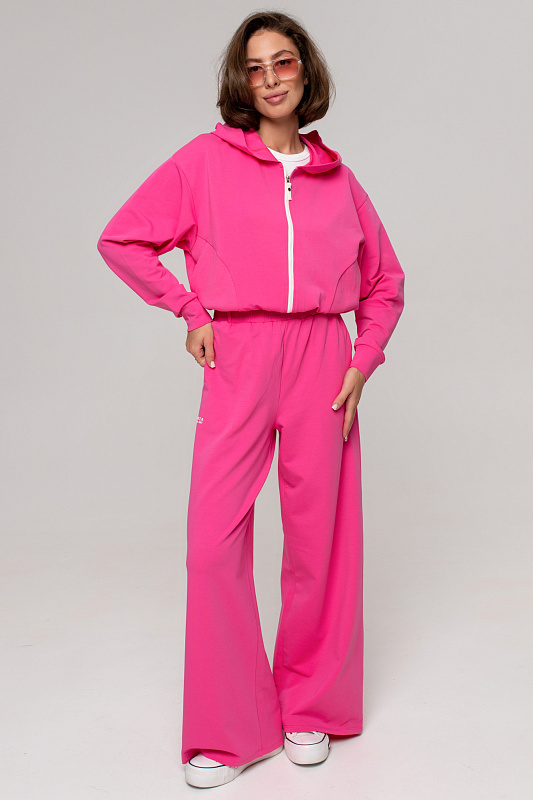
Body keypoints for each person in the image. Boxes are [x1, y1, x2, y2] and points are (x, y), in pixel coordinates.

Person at [97, 10, 405, 790]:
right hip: (238, 353)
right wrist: (189, 309)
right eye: (256, 66)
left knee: (318, 543)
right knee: (213, 541)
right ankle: (229, 726)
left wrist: (362, 360)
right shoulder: (205, 161)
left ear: (306, 72)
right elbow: (122, 238)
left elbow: (384, 282)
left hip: (322, 360)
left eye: (284, 61)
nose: (270, 78)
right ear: (241, 80)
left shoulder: (338, 179)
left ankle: (309, 705)